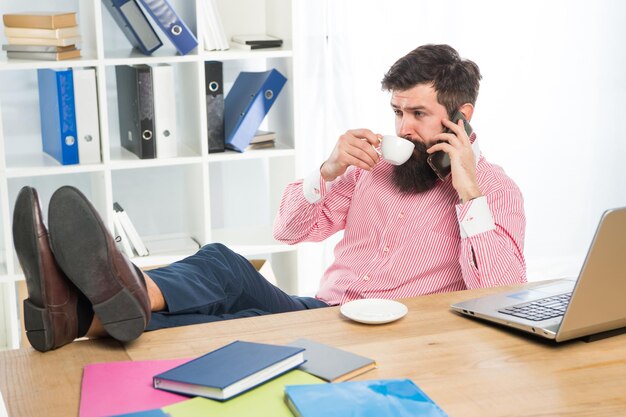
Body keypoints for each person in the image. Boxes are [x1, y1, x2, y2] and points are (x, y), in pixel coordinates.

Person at [13, 44, 525, 352]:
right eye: (396, 112)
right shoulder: (375, 168)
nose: (402, 127)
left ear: (462, 116)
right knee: (222, 273)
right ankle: (75, 315)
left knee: (224, 288)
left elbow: (502, 295)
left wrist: (468, 194)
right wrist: (327, 171)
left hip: (395, 335)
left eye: (417, 114)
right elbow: (289, 231)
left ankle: (79, 304)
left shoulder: (495, 191)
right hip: (325, 314)